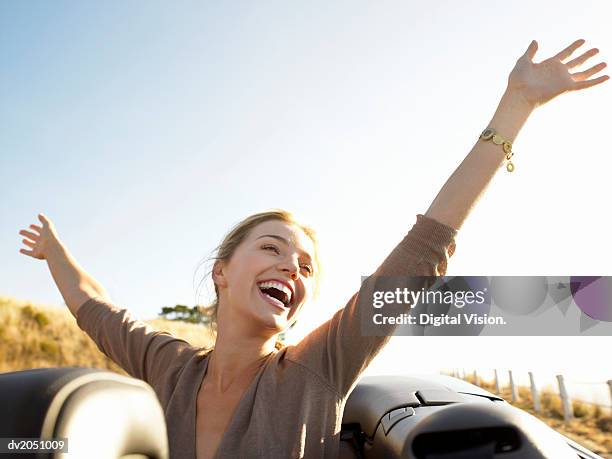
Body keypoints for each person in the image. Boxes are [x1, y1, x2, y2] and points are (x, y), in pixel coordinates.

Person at [18, 39, 607, 459]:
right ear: (222, 272)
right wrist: (54, 253)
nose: (290, 269)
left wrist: (516, 108)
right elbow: (94, 309)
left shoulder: (317, 366)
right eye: (272, 248)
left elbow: (425, 248)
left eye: (305, 267)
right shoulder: (167, 366)